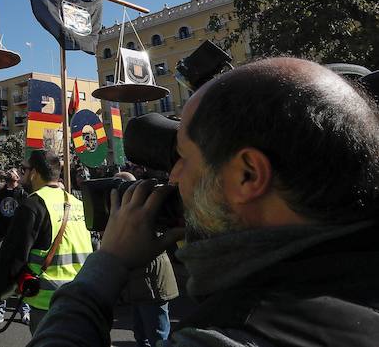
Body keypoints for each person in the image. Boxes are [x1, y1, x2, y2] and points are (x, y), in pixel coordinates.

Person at [29, 57, 379, 346]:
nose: (174, 177)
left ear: (248, 175)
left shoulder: (234, 333)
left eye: (182, 156)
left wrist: (107, 264)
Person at [0, 150, 94, 335]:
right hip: (81, 298)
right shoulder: (77, 202)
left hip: (48, 302)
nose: (22, 174)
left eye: (24, 169)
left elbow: (13, 256)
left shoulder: (33, 205)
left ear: (34, 173)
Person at [111, 172, 178, 347]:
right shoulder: (129, 217)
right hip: (138, 288)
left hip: (152, 287)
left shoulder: (150, 212)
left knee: (158, 337)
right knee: (141, 336)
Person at [0, 168, 30, 326]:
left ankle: (24, 310)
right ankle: (0, 312)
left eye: (15, 171)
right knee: (2, 276)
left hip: (19, 240)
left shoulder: (23, 194)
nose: (12, 172)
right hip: (2, 239)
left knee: (21, 276)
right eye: (10, 171)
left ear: (18, 177)